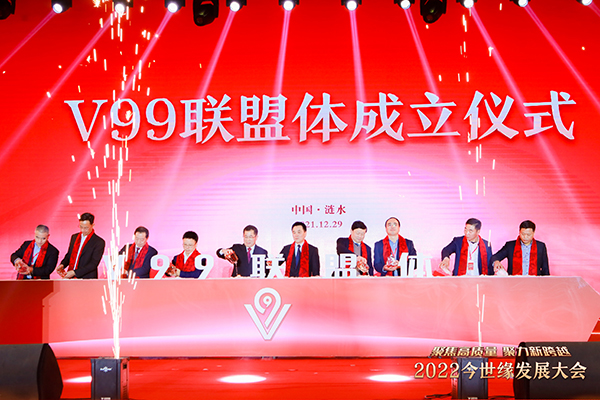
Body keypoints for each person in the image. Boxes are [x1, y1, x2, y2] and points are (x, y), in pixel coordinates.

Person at [57, 213, 105, 279]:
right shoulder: (74, 237)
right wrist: (62, 265)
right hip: (70, 276)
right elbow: (69, 255)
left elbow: (93, 264)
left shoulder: (98, 242)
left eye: (86, 228)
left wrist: (75, 272)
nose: (82, 230)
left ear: (92, 225)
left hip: (87, 278)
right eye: (81, 227)